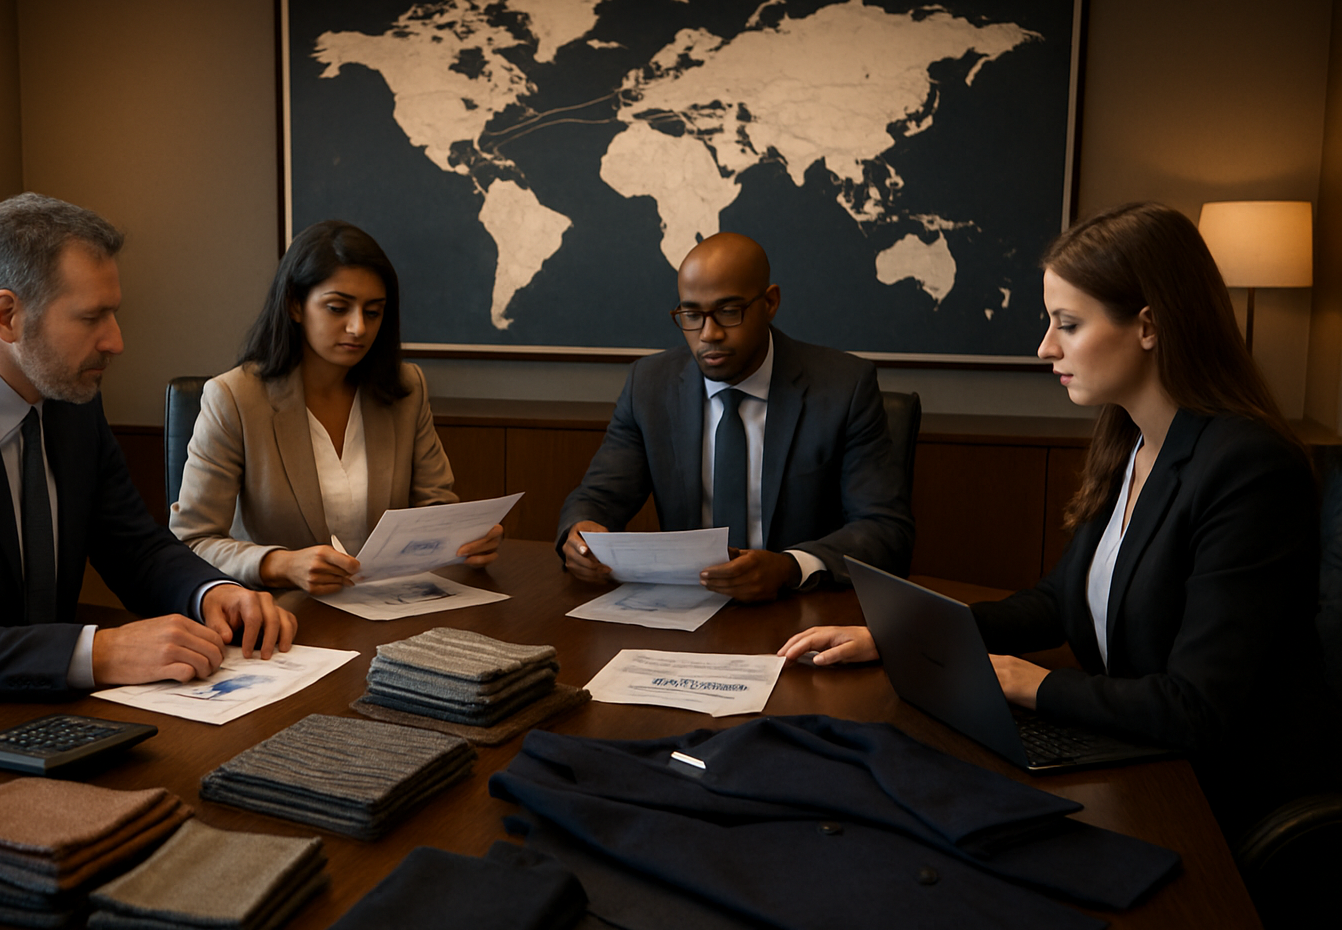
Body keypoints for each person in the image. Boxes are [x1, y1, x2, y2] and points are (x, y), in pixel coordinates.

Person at [779, 201, 1337, 835]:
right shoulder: (1131, 440)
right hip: (1136, 754)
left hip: (1219, 796)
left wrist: (1029, 684)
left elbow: (1197, 707)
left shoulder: (1248, 468)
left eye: (1067, 324)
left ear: (1149, 326)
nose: (1045, 346)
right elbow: (1058, 602)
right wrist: (906, 635)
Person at [0, 193, 295, 721]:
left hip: (35, 714)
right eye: (92, 318)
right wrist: (99, 652)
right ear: (6, 316)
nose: (116, 341)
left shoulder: (69, 402)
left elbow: (134, 546)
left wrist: (211, 591)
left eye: (114, 314)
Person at [558, 232, 913, 602]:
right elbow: (598, 497)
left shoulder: (844, 388)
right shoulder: (649, 386)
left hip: (801, 609)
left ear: (770, 302)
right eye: (692, 315)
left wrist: (790, 567)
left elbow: (884, 529)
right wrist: (580, 533)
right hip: (685, 608)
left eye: (729, 311)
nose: (709, 334)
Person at [170, 219, 500, 595]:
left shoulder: (405, 390)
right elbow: (192, 541)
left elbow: (436, 510)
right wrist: (281, 564)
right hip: (286, 614)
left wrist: (467, 540)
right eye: (337, 308)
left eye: (373, 312)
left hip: (391, 605)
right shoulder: (234, 397)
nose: (358, 327)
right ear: (295, 304)